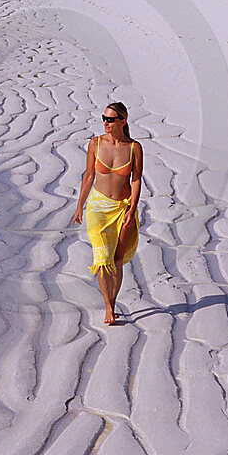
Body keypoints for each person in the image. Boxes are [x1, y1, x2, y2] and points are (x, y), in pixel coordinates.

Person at [71, 102, 142, 325]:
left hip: (123, 208)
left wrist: (132, 208)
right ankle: (109, 307)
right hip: (97, 208)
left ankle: (113, 299)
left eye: (110, 119)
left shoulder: (134, 148)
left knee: (117, 260)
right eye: (104, 118)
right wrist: (79, 206)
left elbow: (136, 179)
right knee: (102, 260)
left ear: (123, 121)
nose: (105, 123)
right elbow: (88, 177)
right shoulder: (95, 143)